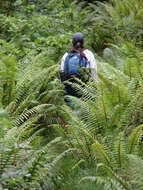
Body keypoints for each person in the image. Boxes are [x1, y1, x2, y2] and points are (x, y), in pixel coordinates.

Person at [60, 32, 98, 101]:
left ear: (72, 43)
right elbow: (93, 71)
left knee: (71, 110)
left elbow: (62, 73)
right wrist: (96, 87)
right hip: (85, 91)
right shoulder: (89, 54)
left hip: (69, 91)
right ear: (83, 43)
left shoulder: (66, 56)